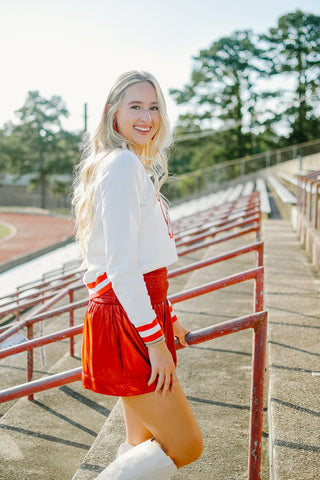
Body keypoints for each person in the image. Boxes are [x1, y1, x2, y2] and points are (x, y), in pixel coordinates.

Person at [72, 70, 203, 480]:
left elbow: (141, 259)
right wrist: (155, 341)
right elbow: (121, 267)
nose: (147, 117)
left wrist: (169, 313)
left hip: (138, 308)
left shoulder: (126, 163)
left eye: (154, 107)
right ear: (113, 113)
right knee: (186, 445)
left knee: (141, 440)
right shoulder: (123, 164)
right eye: (135, 106)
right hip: (128, 317)